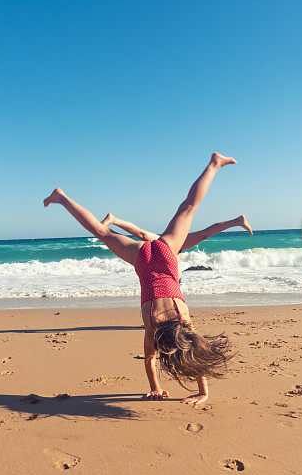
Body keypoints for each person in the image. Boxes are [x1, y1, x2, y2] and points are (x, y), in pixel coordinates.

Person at [43, 152, 237, 406]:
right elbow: (151, 359)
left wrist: (198, 392)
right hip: (144, 261)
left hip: (165, 253)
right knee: (102, 232)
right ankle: (61, 197)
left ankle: (214, 163)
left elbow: (192, 351)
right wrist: (160, 388)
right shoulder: (152, 325)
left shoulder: (182, 319)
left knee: (188, 207)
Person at [101, 213, 252, 252]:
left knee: (142, 235)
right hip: (172, 247)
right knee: (142, 235)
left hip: (172, 248)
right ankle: (113, 220)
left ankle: (113, 220)